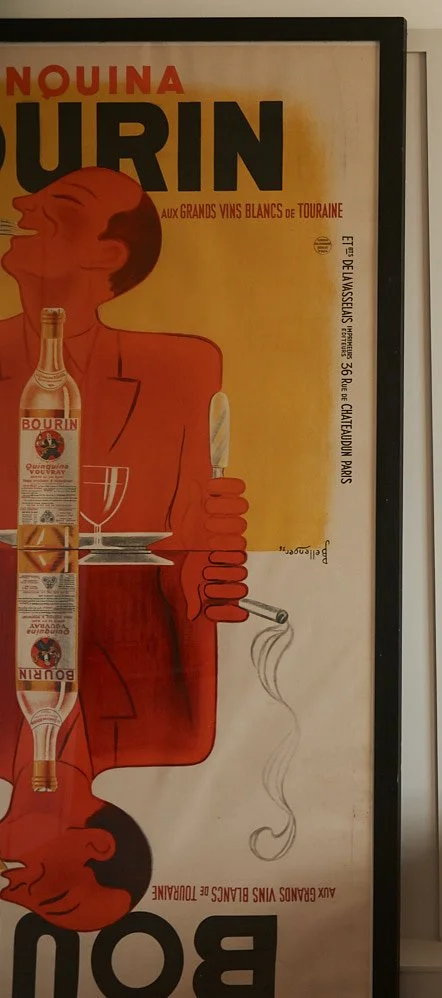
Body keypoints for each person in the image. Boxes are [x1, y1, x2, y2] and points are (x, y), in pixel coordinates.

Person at [0, 166, 250, 931]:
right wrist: (204, 575)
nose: (13, 888)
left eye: (55, 210)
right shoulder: (175, 733)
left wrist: (204, 551)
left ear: (107, 258)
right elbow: (188, 580)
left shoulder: (179, 371)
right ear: (95, 841)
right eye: (49, 888)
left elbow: (188, 535)